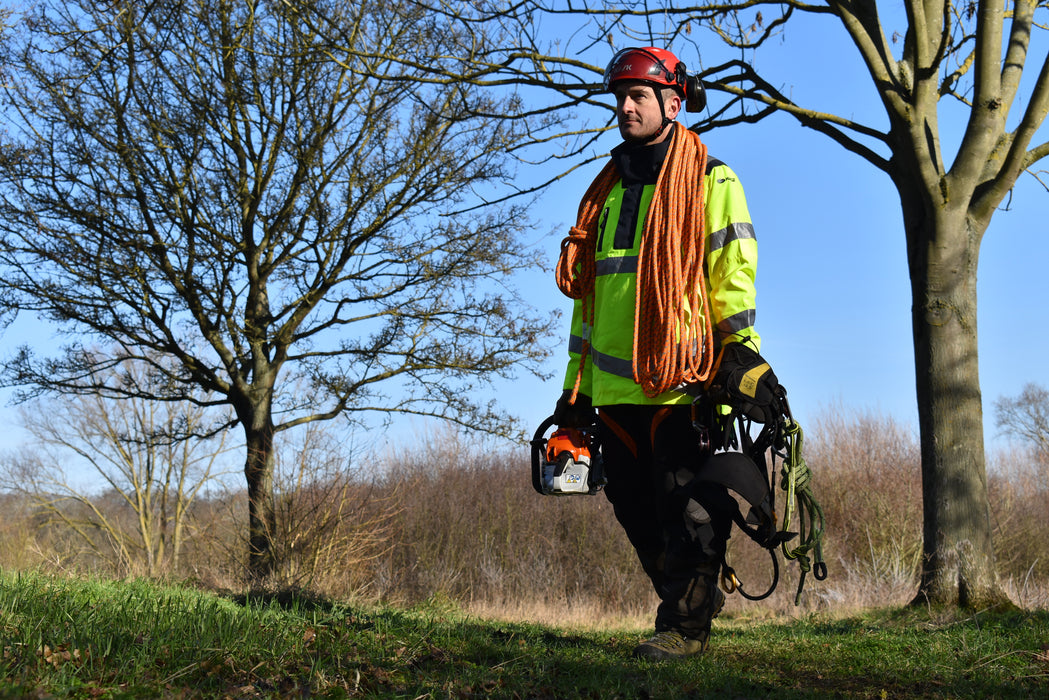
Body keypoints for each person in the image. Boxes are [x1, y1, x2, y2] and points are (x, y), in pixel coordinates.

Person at [552, 46, 761, 660]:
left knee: (688, 508)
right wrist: (574, 389)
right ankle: (693, 593)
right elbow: (586, 304)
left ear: (673, 103)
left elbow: (733, 271)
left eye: (638, 96)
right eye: (619, 96)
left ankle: (685, 627)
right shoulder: (606, 193)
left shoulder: (710, 178)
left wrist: (739, 352)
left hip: (680, 381)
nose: (624, 107)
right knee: (635, 510)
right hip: (615, 390)